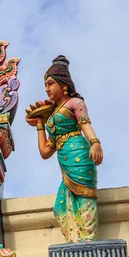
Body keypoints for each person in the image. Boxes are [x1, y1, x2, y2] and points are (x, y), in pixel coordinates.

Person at [26, 56, 104, 243]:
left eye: (51, 83)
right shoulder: (53, 116)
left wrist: (95, 142)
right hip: (65, 162)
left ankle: (90, 242)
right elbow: (45, 152)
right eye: (45, 84)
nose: (47, 89)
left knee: (85, 200)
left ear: (64, 85)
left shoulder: (74, 103)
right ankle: (75, 241)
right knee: (60, 207)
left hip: (80, 154)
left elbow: (85, 124)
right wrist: (40, 124)